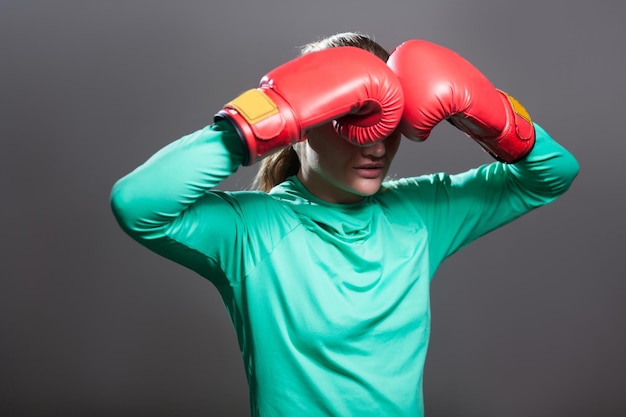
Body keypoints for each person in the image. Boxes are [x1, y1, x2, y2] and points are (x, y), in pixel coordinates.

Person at [110, 32, 579, 417]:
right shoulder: (254, 232)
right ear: (303, 128)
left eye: (388, 122)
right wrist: (264, 117)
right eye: (352, 120)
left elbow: (553, 173)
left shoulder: (419, 213)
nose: (375, 146)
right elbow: (137, 203)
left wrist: (489, 115)